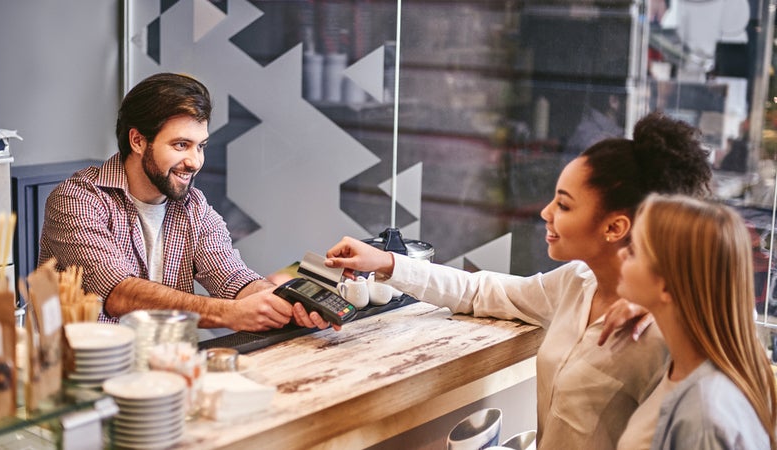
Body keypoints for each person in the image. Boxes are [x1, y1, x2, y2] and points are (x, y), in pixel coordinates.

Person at [324, 111, 712, 449]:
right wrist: (389, 262)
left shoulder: (662, 333)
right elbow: (482, 291)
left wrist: (675, 305)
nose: (546, 212)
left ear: (615, 226)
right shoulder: (576, 283)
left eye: (563, 204)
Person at [39, 72, 334, 332]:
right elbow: (120, 294)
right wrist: (228, 314)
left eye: (201, 146)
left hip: (169, 374)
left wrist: (280, 300)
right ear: (138, 141)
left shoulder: (193, 207)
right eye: (181, 145)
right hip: (85, 379)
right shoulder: (77, 199)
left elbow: (233, 277)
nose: (194, 162)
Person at [616, 194, 777, 449]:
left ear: (667, 286)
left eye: (634, 250)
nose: (622, 254)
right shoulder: (716, 365)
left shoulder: (703, 417)